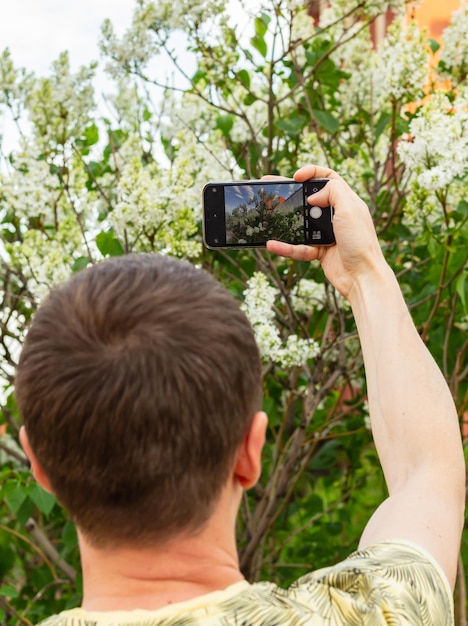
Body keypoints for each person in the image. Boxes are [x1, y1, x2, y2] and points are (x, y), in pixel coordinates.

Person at [16, 164, 465, 625]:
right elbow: (428, 473)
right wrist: (364, 272)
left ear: (39, 466)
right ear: (251, 452)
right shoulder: (368, 615)